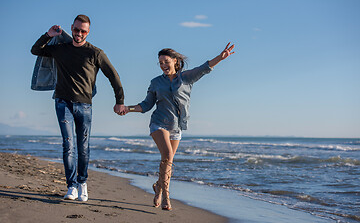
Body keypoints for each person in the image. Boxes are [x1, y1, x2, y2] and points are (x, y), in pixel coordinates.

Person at [123, 43, 235, 210]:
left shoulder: (186, 78)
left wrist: (221, 57)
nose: (163, 65)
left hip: (176, 127)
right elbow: (146, 105)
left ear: (175, 61)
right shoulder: (155, 82)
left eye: (166, 62)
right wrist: (128, 108)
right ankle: (166, 196)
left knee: (167, 161)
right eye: (160, 63)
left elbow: (204, 68)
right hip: (158, 123)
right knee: (168, 155)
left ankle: (158, 187)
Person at [31, 14, 126, 202]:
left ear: (88, 32)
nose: (79, 33)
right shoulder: (59, 49)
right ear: (71, 28)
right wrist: (48, 35)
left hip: (85, 105)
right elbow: (35, 50)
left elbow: (113, 76)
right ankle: (71, 186)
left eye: (83, 31)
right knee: (68, 146)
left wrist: (119, 100)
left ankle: (82, 183)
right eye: (76, 30)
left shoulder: (95, 53)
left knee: (83, 148)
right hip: (62, 102)